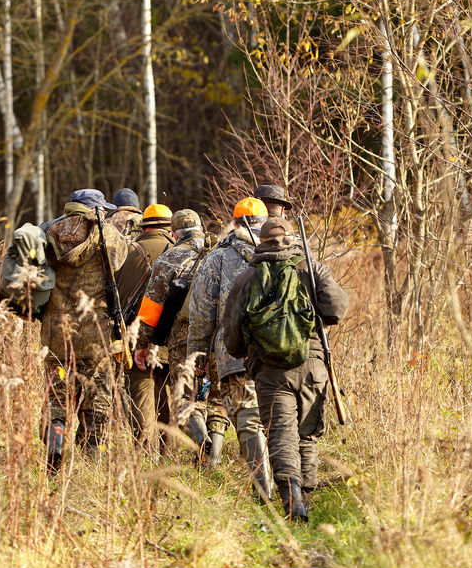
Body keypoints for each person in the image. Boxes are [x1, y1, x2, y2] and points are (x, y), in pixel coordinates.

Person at [223, 216, 349, 521]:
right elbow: (337, 309)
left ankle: (292, 501)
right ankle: (305, 497)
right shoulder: (311, 268)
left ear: (261, 242)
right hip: (313, 364)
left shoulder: (246, 278)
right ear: (292, 240)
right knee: (306, 433)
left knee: (280, 433)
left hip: (269, 370)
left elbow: (232, 339)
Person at [186, 197, 272, 499]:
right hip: (284, 351)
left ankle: (265, 492)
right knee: (281, 416)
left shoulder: (217, 258)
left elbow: (201, 315)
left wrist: (195, 356)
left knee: (249, 419)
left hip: (236, 354)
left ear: (233, 223)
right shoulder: (285, 251)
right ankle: (292, 487)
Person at [41, 188, 129, 472]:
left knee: (57, 399)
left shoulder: (48, 232)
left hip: (56, 334)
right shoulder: (109, 235)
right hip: (97, 334)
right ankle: (92, 463)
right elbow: (121, 264)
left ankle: (55, 445)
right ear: (96, 209)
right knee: (97, 402)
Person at [134, 209, 208, 454]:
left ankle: (203, 443)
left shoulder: (170, 258)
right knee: (210, 394)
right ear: (200, 229)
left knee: (185, 396)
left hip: (182, 338)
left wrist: (142, 343)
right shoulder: (218, 251)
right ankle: (212, 452)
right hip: (220, 336)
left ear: (174, 234)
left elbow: (153, 306)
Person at [118, 204, 176, 454]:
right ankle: (168, 455)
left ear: (144, 227)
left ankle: (143, 455)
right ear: (169, 228)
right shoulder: (178, 251)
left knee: (141, 394)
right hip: (168, 337)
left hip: (135, 335)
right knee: (168, 397)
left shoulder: (127, 251)